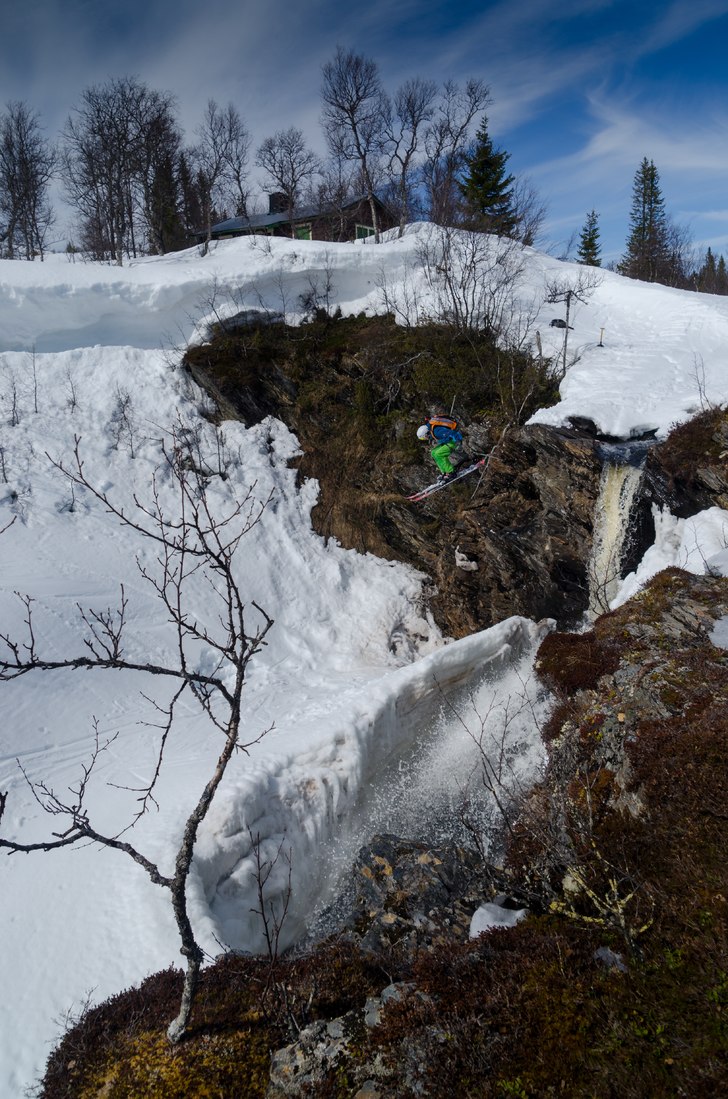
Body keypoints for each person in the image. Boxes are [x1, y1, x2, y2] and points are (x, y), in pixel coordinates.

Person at [416, 415, 467, 482]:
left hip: (454, 441)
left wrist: (458, 442)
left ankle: (451, 472)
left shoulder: (436, 431)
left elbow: (452, 433)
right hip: (449, 441)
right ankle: (445, 472)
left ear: (426, 433)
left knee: (439, 454)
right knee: (433, 452)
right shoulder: (432, 430)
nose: (426, 439)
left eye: (424, 437)